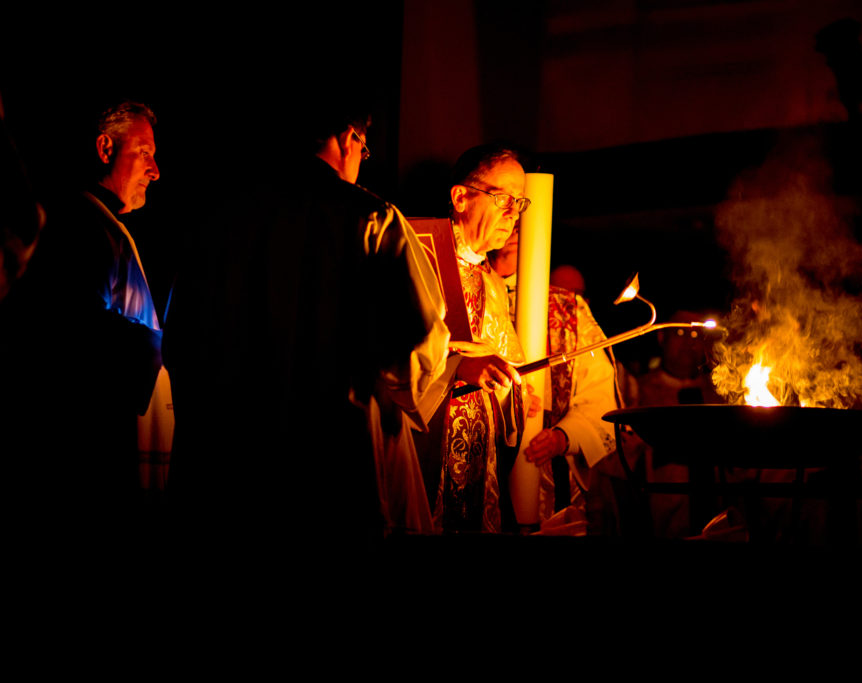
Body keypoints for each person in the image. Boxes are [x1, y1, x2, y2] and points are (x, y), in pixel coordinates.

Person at [162, 100, 450, 537]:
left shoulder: (218, 221)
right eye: (363, 150)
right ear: (350, 137)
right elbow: (419, 342)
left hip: (230, 464)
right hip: (333, 460)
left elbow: (178, 340)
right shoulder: (371, 218)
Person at [1, 101, 166, 530]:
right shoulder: (82, 225)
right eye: (144, 152)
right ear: (105, 146)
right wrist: (162, 343)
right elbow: (75, 331)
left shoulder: (102, 225)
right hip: (80, 454)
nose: (155, 170)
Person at [432, 144, 534, 533]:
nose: (513, 215)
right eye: (502, 198)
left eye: (519, 203)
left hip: (479, 459)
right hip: (428, 453)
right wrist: (458, 367)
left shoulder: (489, 282)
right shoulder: (422, 255)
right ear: (461, 197)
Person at [488, 234, 618, 531]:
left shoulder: (569, 309)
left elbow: (599, 392)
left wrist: (563, 437)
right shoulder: (462, 294)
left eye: (520, 225)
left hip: (548, 466)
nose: (510, 234)